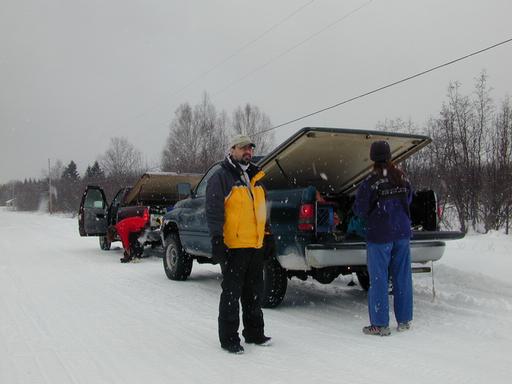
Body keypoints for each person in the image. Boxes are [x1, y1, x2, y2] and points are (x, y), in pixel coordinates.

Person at [206, 134, 271, 354]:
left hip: (255, 244)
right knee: (232, 293)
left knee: (254, 291)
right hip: (234, 246)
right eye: (243, 148)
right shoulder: (222, 177)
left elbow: (262, 209)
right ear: (232, 149)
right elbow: (214, 211)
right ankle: (229, 338)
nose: (248, 152)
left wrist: (267, 235)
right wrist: (217, 240)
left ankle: (254, 333)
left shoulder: (255, 177)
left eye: (250, 149)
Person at [353, 140, 413, 336]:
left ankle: (380, 324)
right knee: (402, 277)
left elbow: (360, 209)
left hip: (380, 236)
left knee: (379, 279)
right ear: (389, 156)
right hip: (402, 234)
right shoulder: (402, 178)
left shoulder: (370, 182)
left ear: (372, 158)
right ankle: (404, 321)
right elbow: (410, 199)